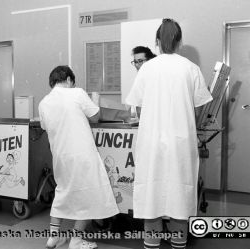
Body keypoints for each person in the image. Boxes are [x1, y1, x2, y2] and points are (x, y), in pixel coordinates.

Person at [125, 19, 212, 249]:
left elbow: (140, 108)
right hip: (181, 144)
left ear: (156, 42)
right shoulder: (191, 68)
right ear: (180, 41)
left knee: (151, 198)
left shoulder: (147, 69)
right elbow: (201, 108)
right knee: (180, 198)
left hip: (152, 143)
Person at [39, 65, 119, 249]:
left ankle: (53, 238)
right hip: (82, 154)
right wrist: (94, 102)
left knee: (62, 191)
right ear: (68, 80)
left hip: (60, 156)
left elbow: (44, 126)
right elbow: (95, 117)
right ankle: (76, 240)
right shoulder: (76, 93)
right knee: (88, 194)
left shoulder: (44, 102)